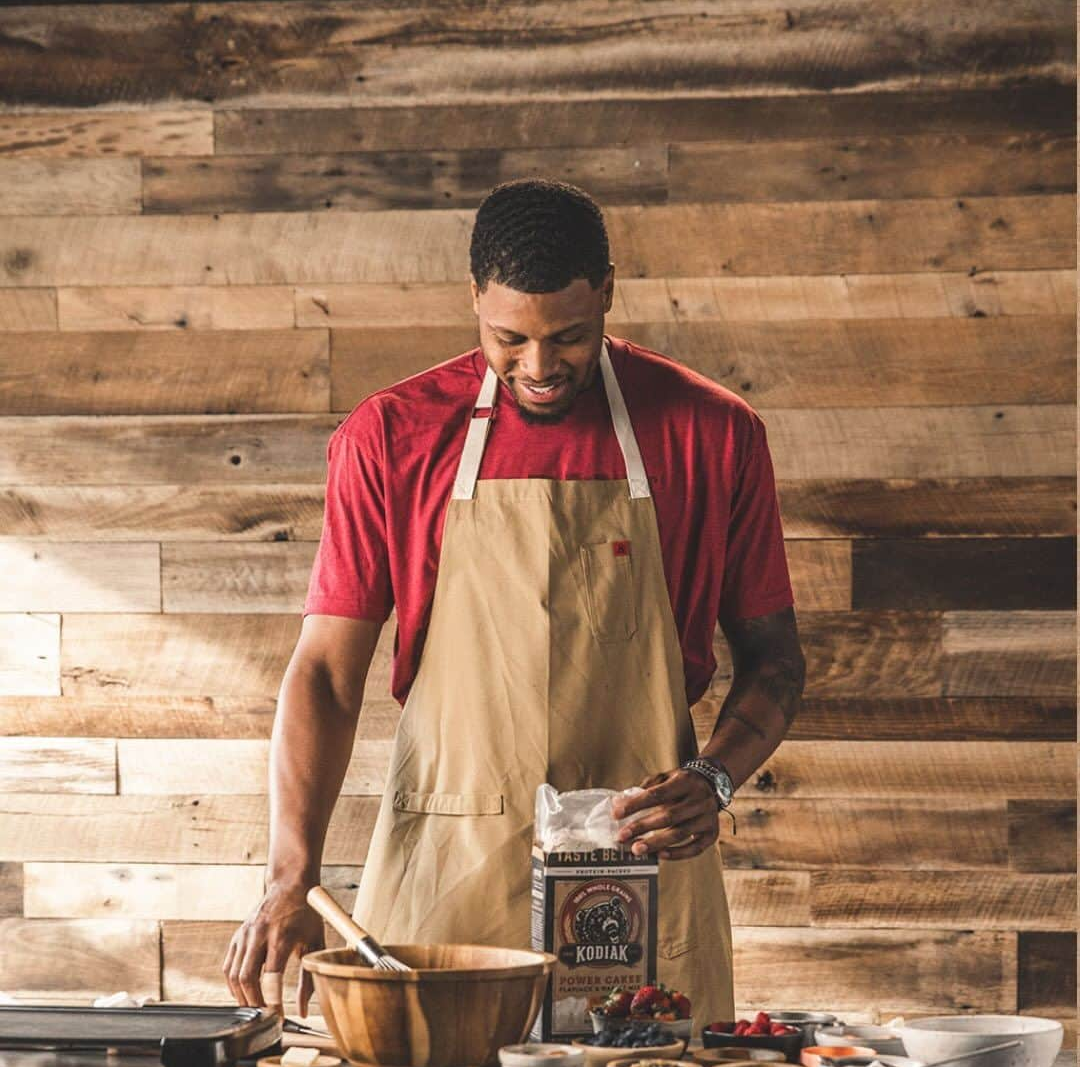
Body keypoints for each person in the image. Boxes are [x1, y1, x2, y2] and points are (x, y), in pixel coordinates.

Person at [224, 179, 805, 1020]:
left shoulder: (711, 433)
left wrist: (715, 778)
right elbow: (324, 675)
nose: (538, 367)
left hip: (634, 874)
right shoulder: (390, 436)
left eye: (568, 336)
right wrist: (290, 875)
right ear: (473, 298)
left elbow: (775, 660)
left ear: (607, 290)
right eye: (509, 338)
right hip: (445, 873)